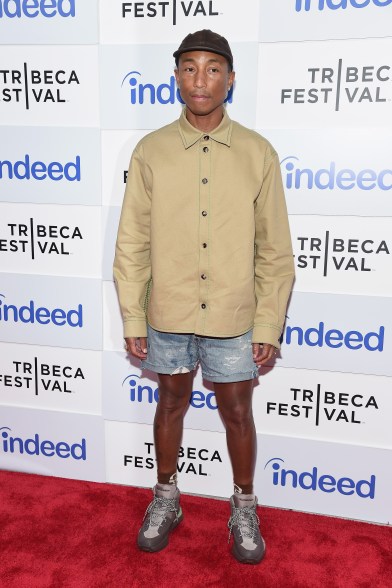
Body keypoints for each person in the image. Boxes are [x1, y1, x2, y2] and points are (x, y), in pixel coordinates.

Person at [113, 29, 294, 565]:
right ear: (176, 78)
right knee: (170, 401)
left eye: (213, 68)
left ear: (231, 78)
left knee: (237, 410)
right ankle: (166, 498)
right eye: (189, 68)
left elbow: (275, 250)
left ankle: (243, 505)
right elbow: (133, 240)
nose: (201, 79)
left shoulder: (258, 153)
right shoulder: (151, 151)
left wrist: (267, 324)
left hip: (236, 314)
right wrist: (132, 313)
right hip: (167, 309)